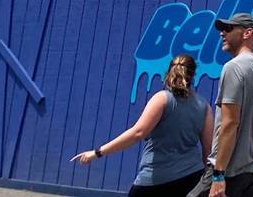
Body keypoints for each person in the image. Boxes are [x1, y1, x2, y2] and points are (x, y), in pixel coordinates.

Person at [71, 54, 212, 196]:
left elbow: (137, 133)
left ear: (169, 72)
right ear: (193, 75)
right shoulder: (204, 106)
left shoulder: (162, 99)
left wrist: (97, 152)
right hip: (191, 178)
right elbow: (208, 150)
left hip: (155, 179)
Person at [188, 12, 253, 197]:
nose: (222, 33)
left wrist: (218, 175)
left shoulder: (233, 67)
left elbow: (230, 123)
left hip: (228, 172)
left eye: (228, 28)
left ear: (247, 33)